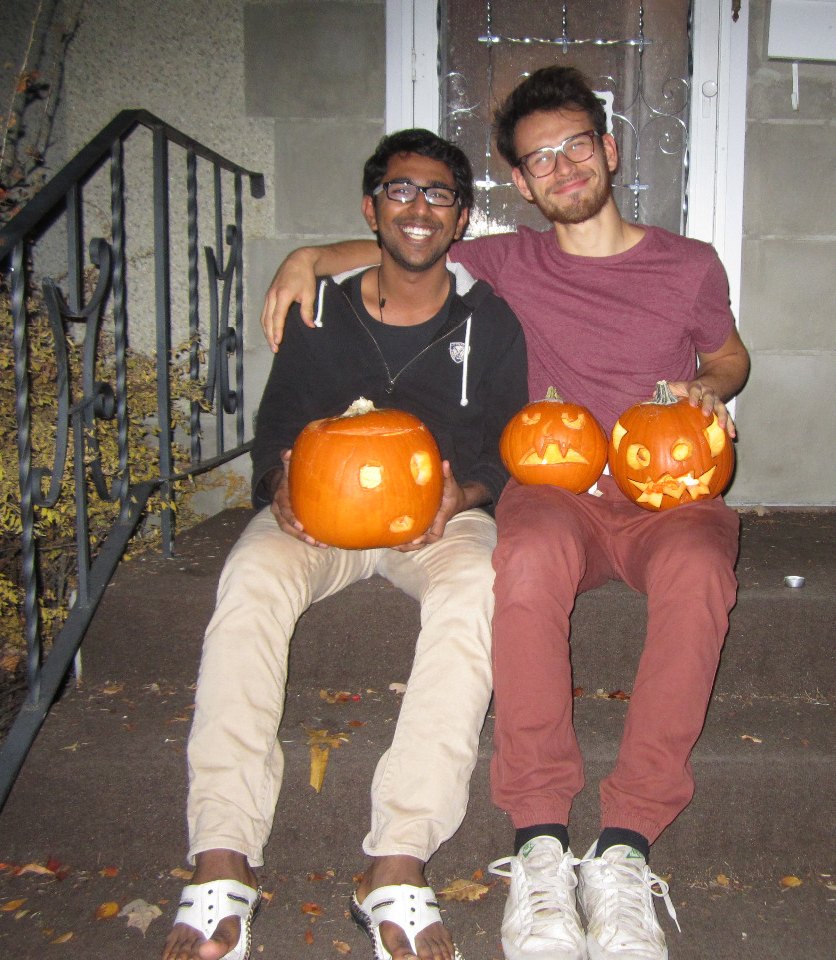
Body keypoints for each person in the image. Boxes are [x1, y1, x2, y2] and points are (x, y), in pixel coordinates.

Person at [261, 66, 749, 960]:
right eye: (539, 159)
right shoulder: (504, 262)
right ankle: (539, 843)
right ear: (521, 183)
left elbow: (731, 356)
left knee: (701, 570)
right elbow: (407, 243)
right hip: (554, 488)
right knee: (518, 560)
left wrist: (708, 387)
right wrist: (310, 259)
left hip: (668, 491)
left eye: (576, 146)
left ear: (608, 150)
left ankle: (627, 847)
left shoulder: (689, 264)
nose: (563, 167)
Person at [162, 128, 527, 960]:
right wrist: (279, 489)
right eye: (400, 189)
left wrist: (464, 495)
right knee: (250, 577)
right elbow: (276, 430)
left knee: (479, 587)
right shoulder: (319, 310)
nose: (418, 207)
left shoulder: (490, 322)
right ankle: (222, 851)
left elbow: (505, 447)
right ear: (371, 209)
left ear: (461, 218)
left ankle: (397, 857)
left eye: (438, 194)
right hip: (317, 517)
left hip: (437, 519)